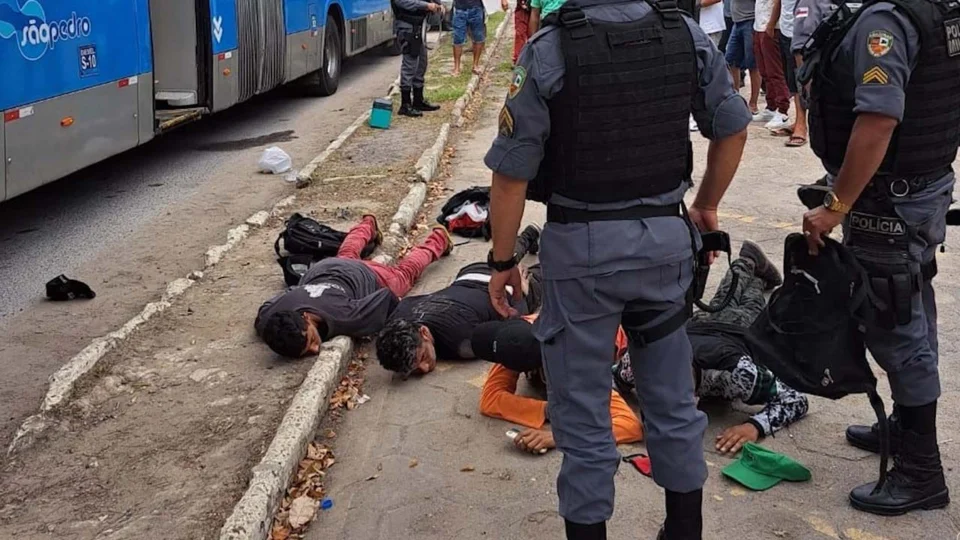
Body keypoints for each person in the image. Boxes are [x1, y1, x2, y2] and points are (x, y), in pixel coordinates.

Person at [482, 0, 751, 536]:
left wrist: (503, 260)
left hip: (581, 255)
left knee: (581, 415)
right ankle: (683, 530)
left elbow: (511, 178)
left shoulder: (550, 48)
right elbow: (733, 127)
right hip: (664, 246)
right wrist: (706, 204)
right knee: (672, 400)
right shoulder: (686, 35)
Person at [799, 0, 959, 516]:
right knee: (911, 306)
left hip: (889, 200)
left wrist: (834, 205)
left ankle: (920, 470)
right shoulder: (937, 11)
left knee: (894, 322)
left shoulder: (887, 23)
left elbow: (878, 122)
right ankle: (908, 426)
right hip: (919, 187)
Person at [613, 241, 810, 455]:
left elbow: (796, 398)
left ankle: (749, 264)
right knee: (726, 296)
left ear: (696, 399)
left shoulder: (736, 374)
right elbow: (609, 381)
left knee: (750, 300)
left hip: (740, 328)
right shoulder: (637, 366)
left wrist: (755, 426)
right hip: (701, 323)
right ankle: (747, 263)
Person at [255, 217, 452, 358]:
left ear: (305, 318)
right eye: (307, 351)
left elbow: (386, 297)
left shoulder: (346, 316)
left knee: (404, 275)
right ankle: (368, 223)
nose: (316, 349)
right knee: (347, 252)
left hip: (366, 274)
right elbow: (272, 303)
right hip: (323, 268)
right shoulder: (269, 318)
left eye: (312, 341)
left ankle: (438, 239)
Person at [376, 226, 542, 377]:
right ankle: (529, 234)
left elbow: (514, 332)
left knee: (559, 277)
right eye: (414, 370)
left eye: (423, 357)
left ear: (424, 333)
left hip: (506, 291)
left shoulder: (462, 343)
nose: (425, 367)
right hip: (470, 273)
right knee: (504, 261)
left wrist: (522, 295)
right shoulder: (399, 317)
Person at [473, 317, 643, 454]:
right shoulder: (519, 335)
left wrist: (561, 437)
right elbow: (490, 400)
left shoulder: (578, 369)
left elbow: (630, 425)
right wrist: (551, 410)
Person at [392, 0, 444, 117]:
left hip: (418, 28)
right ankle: (405, 104)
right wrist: (426, 6)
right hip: (407, 29)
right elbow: (404, 2)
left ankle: (418, 100)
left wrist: (437, 4)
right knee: (409, 66)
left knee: (421, 64)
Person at [767, 0, 808, 146]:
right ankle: (798, 121)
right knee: (791, 80)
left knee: (801, 80)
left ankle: (802, 126)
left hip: (803, 31)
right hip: (786, 30)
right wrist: (772, 23)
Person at [753, 0, 791, 130]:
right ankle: (771, 106)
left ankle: (783, 111)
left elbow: (777, 2)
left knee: (774, 70)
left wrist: (771, 24)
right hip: (759, 25)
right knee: (764, 70)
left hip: (771, 26)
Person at [726, 0, 762, 115]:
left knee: (753, 64)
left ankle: (753, 103)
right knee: (731, 61)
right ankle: (735, 97)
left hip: (750, 21)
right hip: (736, 22)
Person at [452, 0, 486, 76]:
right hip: (459, 9)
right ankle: (456, 67)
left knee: (478, 37)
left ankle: (475, 65)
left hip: (476, 8)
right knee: (457, 38)